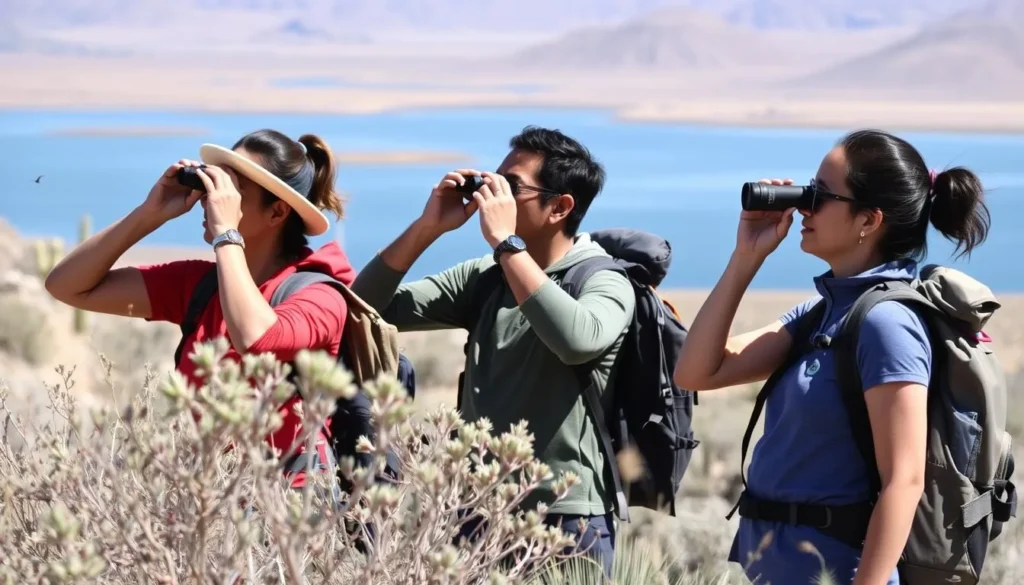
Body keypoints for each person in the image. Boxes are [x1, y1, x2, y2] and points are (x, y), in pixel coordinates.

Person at [673, 129, 991, 585]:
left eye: (820, 196)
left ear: (868, 219)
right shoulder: (821, 313)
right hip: (778, 567)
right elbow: (698, 371)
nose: (804, 206)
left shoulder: (887, 324)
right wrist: (746, 257)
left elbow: (904, 480)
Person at [349, 125, 632, 577]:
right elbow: (366, 307)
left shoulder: (603, 281)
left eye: (511, 186)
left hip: (564, 516)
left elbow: (577, 341)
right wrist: (428, 228)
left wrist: (506, 243)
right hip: (475, 507)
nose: (490, 194)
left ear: (560, 207)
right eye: (491, 179)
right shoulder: (486, 276)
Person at [44, 128, 354, 493]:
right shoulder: (201, 286)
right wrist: (149, 215)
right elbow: (67, 286)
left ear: (278, 212)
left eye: (232, 192)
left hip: (290, 520)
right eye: (212, 186)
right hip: (208, 508)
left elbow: (256, 337)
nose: (214, 201)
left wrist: (226, 233)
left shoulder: (319, 295)